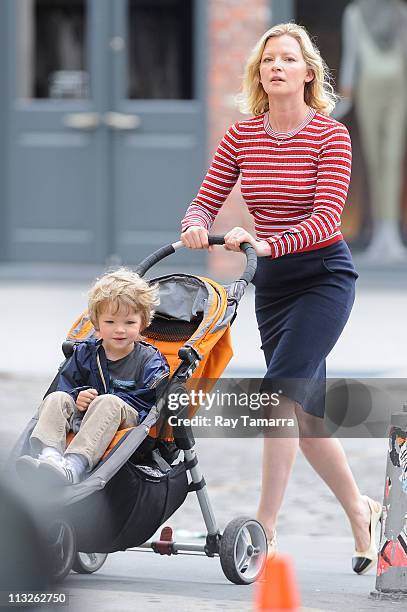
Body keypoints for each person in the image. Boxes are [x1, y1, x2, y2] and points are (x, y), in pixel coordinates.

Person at [180, 23, 382, 574]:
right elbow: (205, 199)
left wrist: (266, 243)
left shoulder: (329, 135)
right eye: (268, 59)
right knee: (305, 417)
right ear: (260, 74)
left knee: (278, 395)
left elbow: (324, 220)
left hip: (322, 278)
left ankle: (265, 529)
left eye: (288, 59)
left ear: (307, 73)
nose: (276, 66)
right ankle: (362, 512)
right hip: (272, 287)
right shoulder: (243, 135)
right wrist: (197, 226)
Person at [16, 268, 169, 486]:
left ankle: (73, 466)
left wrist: (104, 400)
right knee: (56, 398)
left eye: (129, 323)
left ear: (143, 323)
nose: (120, 330)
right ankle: (50, 455)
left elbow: (151, 402)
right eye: (110, 322)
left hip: (127, 423)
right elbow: (67, 384)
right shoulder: (85, 353)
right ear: (96, 324)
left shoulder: (149, 360)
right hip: (85, 416)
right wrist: (78, 396)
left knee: (108, 402)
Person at [339, 0, 407, 260]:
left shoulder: (398, 12)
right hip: (376, 87)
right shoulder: (356, 13)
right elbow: (352, 57)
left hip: (392, 89)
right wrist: (344, 98)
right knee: (379, 161)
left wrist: (345, 96)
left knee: (388, 160)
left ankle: (388, 232)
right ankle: (382, 232)